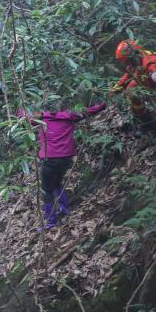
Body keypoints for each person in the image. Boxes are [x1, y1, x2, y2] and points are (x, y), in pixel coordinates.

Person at [21, 98, 107, 230]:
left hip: (49, 159)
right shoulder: (70, 116)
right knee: (57, 183)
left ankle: (51, 221)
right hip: (66, 158)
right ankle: (64, 208)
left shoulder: (40, 119)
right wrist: (104, 103)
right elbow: (89, 111)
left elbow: (23, 117)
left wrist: (18, 108)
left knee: (46, 191)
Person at [109, 39, 156, 135]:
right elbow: (128, 75)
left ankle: (154, 121)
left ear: (134, 55)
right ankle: (145, 119)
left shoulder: (150, 63)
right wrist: (114, 90)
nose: (127, 64)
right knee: (131, 89)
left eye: (127, 60)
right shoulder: (138, 61)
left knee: (134, 89)